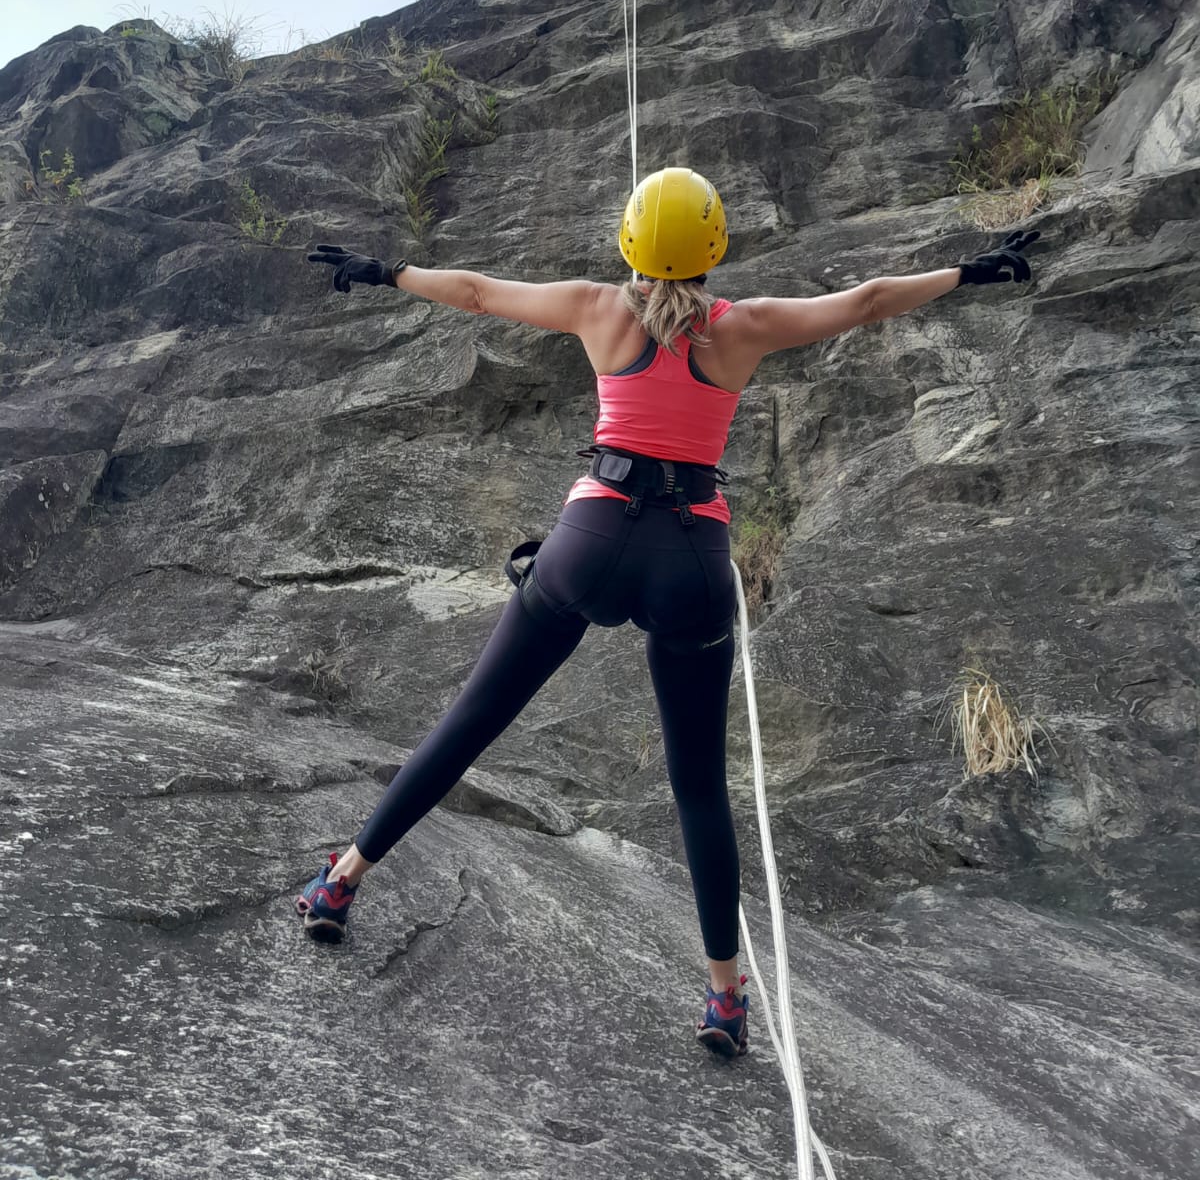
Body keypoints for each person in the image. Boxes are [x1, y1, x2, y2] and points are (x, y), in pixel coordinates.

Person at [300, 167, 1039, 1057]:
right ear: (716, 245)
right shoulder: (746, 328)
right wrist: (971, 271)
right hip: (692, 556)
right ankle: (725, 998)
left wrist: (385, 272)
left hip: (591, 538)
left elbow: (478, 292)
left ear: (628, 242)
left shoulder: (596, 309)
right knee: (697, 786)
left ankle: (341, 883)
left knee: (470, 722)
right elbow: (870, 299)